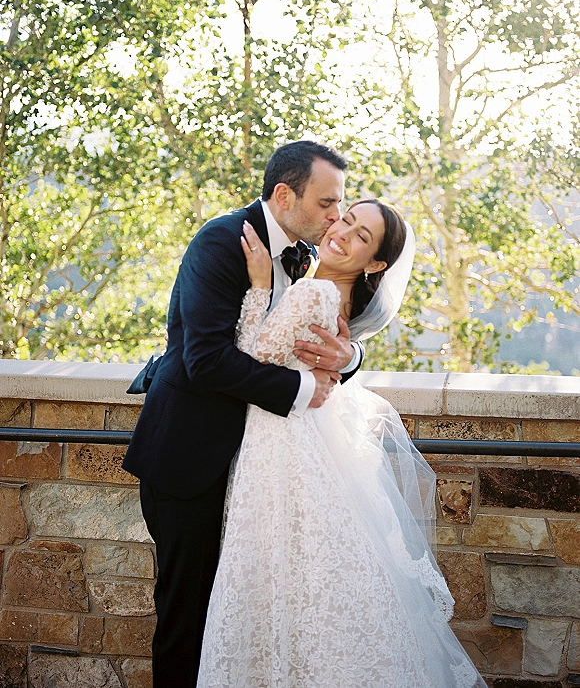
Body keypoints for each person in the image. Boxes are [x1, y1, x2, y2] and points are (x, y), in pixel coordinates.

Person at [196, 199, 488, 688]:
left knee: (282, 570)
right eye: (347, 218)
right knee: (311, 577)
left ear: (376, 263)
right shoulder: (325, 287)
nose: (343, 232)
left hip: (285, 441)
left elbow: (253, 355)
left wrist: (261, 284)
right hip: (296, 435)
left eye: (362, 236)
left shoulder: (313, 292)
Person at [122, 140, 365, 688]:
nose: (335, 217)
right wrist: (302, 391)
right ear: (284, 195)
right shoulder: (219, 242)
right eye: (327, 203)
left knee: (243, 622)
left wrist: (350, 357)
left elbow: (320, 338)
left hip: (259, 472)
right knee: (190, 619)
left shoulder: (305, 255)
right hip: (192, 461)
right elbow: (204, 359)